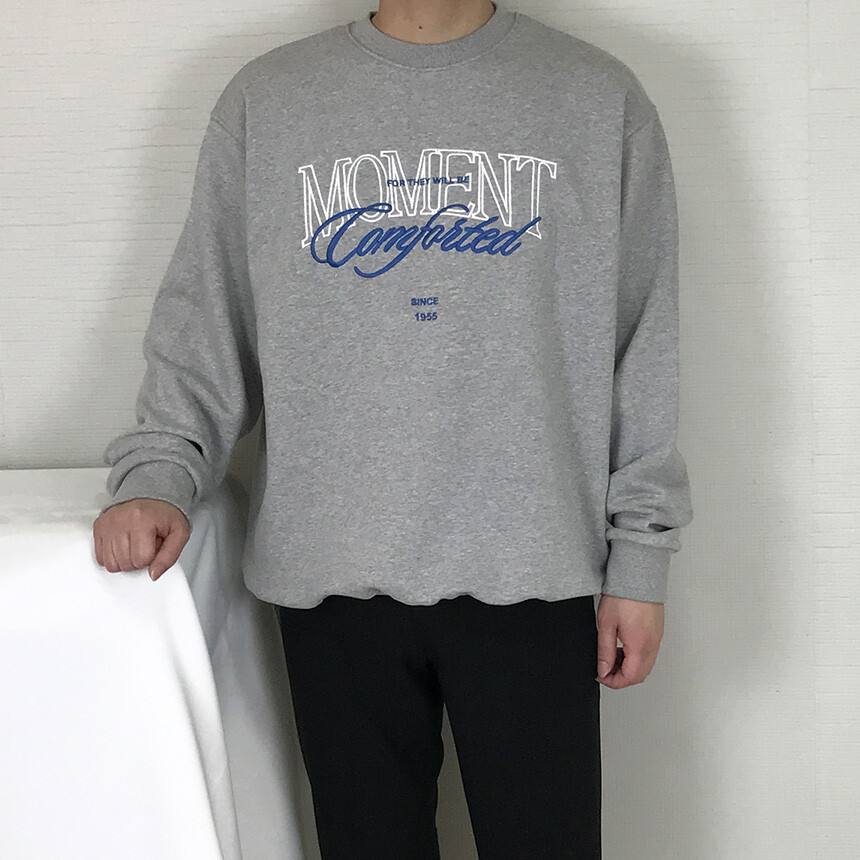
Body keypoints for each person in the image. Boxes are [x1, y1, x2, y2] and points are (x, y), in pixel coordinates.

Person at [93, 1, 694, 856]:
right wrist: (160, 474)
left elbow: (642, 344)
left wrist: (641, 555)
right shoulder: (270, 101)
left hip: (533, 567)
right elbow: (208, 320)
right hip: (332, 577)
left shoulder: (597, 99)